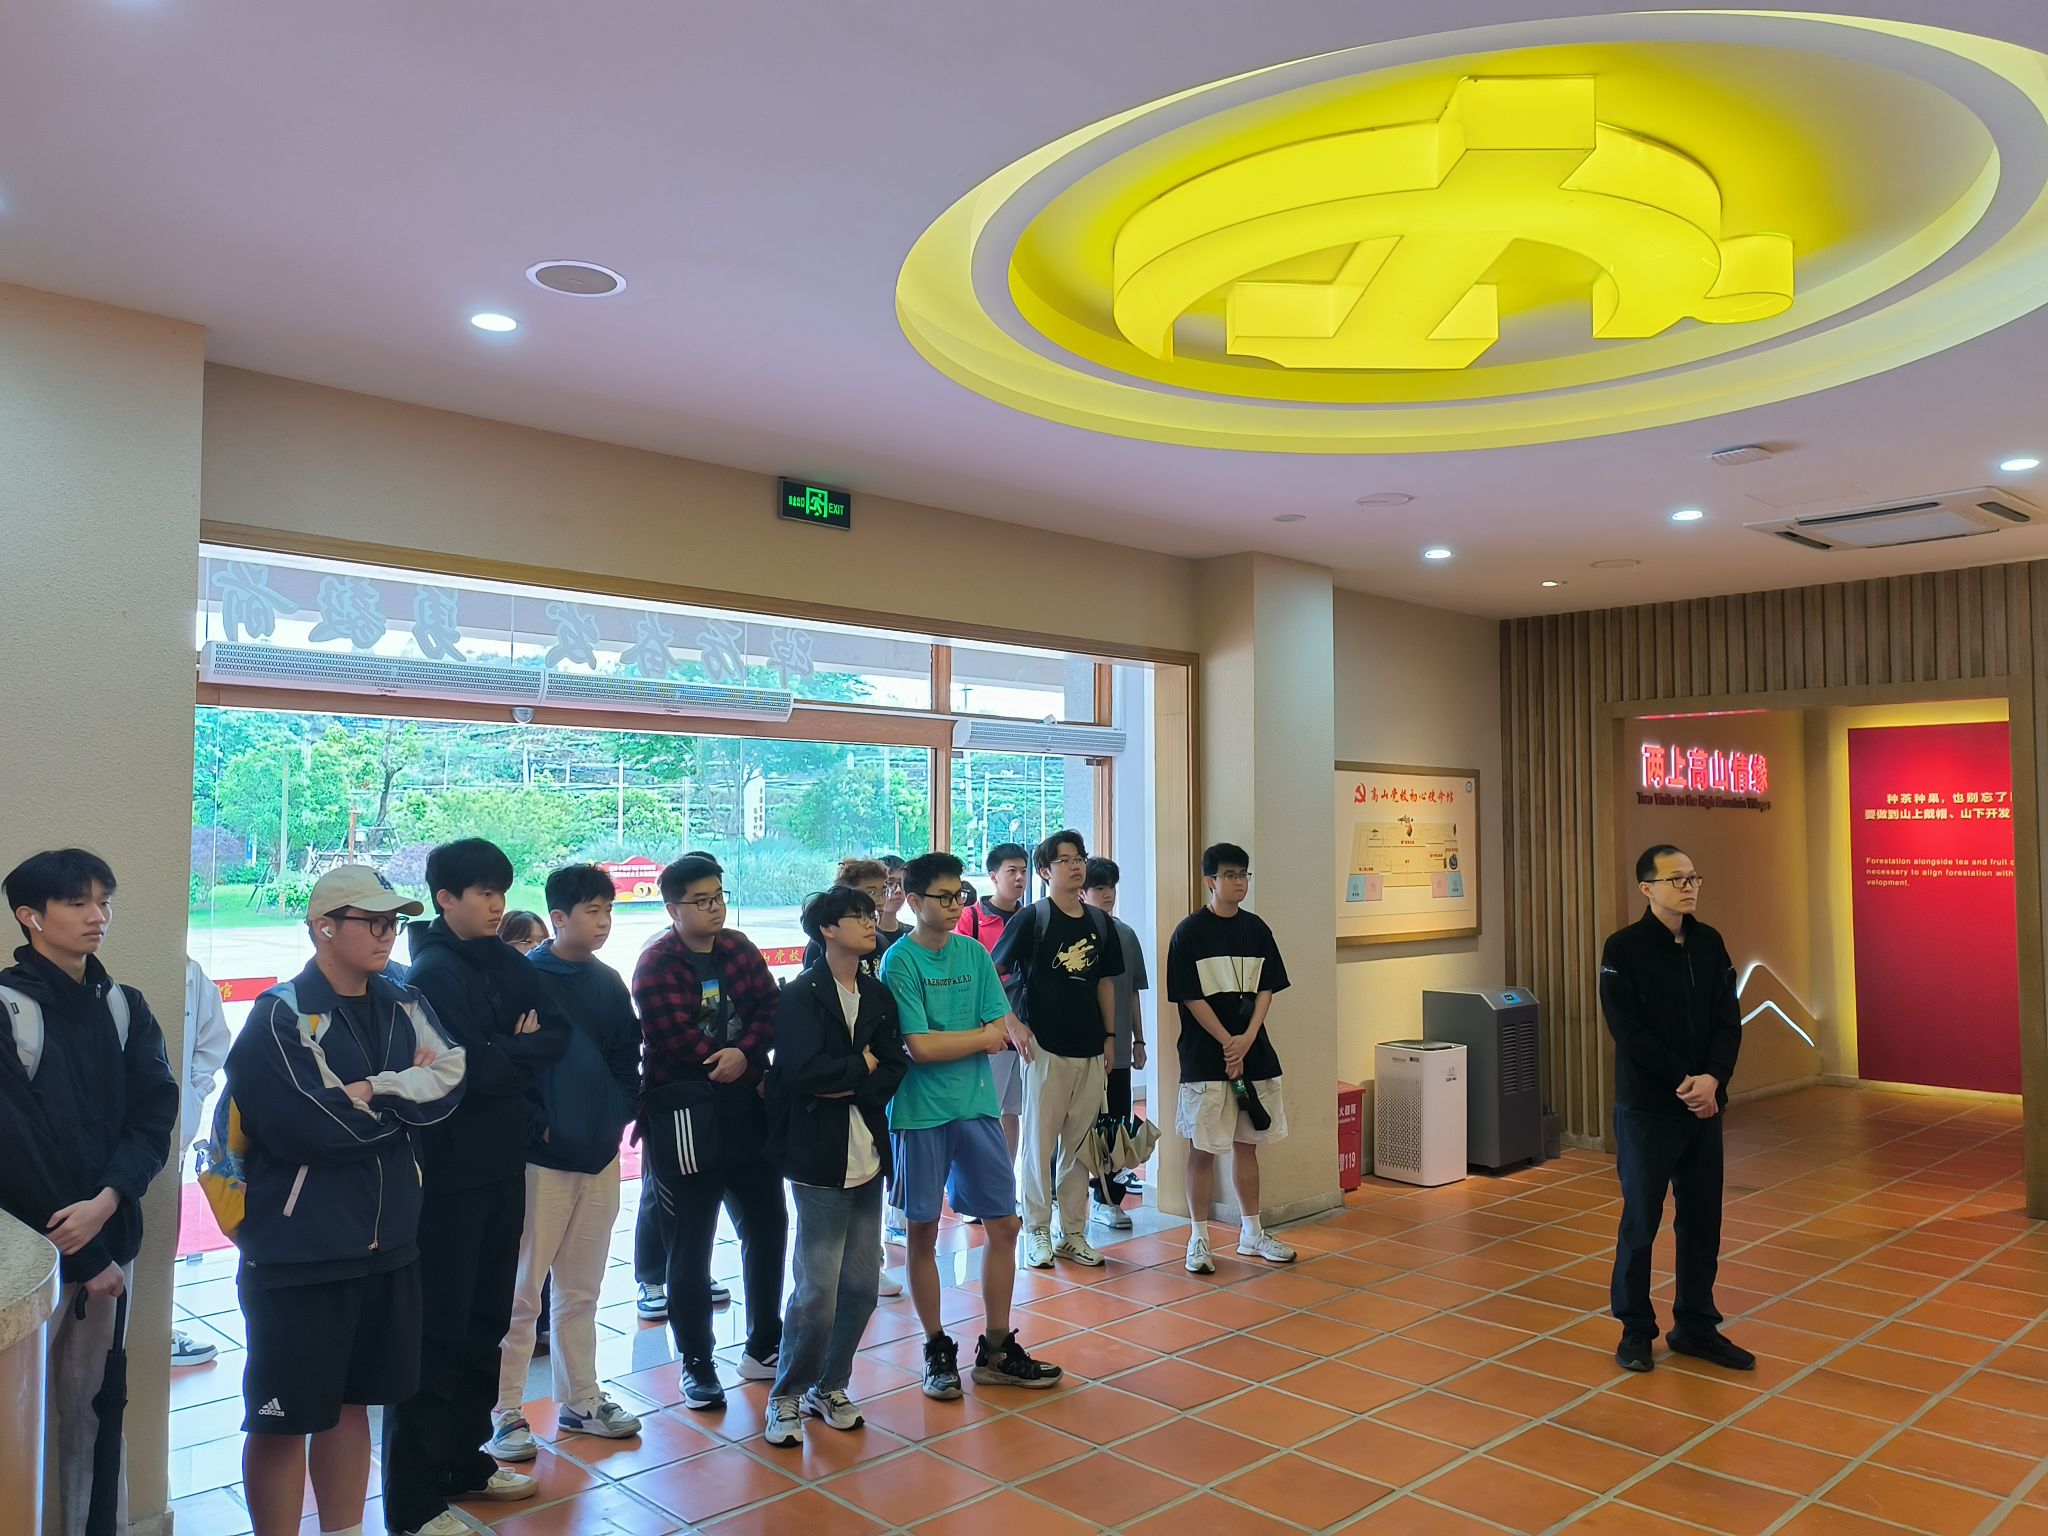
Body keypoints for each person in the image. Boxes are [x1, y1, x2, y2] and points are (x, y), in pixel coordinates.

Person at [228, 867, 466, 1536]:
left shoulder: (403, 1001)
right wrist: (403, 1094)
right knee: (283, 1420)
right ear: (323, 927)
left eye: (394, 921)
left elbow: (451, 1080)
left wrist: (370, 1090)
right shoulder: (282, 1013)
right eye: (372, 921)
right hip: (301, 1250)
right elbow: (313, 1126)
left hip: (389, 1244)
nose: (388, 934)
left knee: (354, 1404)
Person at [382, 839, 570, 1536]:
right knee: (437, 1330)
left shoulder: (505, 960)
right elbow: (466, 1071)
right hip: (449, 1174)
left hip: (502, 1163)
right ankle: (413, 1500)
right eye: (483, 893)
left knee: (488, 1320)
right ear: (445, 899)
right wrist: (510, 1050)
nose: (496, 905)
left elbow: (554, 1035)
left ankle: (464, 1461)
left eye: (501, 892)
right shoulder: (432, 970)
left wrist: (505, 1049)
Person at [0, 848, 177, 1536]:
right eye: (77, 902)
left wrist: (107, 1203)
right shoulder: (8, 1008)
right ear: (30, 916)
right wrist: (85, 1250)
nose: (97, 915)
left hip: (109, 1240)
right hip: (26, 1259)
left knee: (95, 1411)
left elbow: (154, 1115)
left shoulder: (124, 1005)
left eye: (104, 901)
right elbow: (15, 1144)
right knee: (13, 1418)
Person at [880, 852, 1061, 1399]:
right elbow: (920, 1047)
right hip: (920, 1113)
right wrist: (981, 1038)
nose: (955, 904)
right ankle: (936, 1348)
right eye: (942, 896)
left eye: (959, 894)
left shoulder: (974, 953)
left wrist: (981, 1037)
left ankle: (998, 1349)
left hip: (976, 1106)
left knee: (1004, 1226)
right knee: (922, 1232)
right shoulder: (899, 962)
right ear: (914, 902)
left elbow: (997, 1026)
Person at [488, 865, 644, 1463]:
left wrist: (618, 1113)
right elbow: (511, 1068)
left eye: (609, 911)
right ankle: (504, 1411)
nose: (603, 923)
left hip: (599, 1156)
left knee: (582, 1289)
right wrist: (543, 1127)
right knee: (522, 1293)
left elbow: (627, 1056)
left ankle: (581, 1399)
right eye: (592, 912)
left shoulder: (608, 982)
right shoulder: (522, 979)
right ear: (558, 918)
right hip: (542, 1162)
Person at [633, 853, 788, 1411]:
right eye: (701, 901)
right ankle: (696, 1361)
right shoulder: (656, 963)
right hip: (685, 1118)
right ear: (672, 909)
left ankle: (764, 1344)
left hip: (748, 1111)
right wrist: (734, 1059)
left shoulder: (739, 948)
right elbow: (674, 1038)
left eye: (718, 896)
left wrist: (744, 1053)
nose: (714, 908)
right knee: (690, 1245)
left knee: (768, 1228)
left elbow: (771, 1008)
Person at [760, 885, 909, 1447]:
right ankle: (786, 1395)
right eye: (856, 916)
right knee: (816, 1292)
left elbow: (892, 1065)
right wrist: (858, 1067)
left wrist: (851, 1079)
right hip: (817, 1155)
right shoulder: (803, 994)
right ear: (827, 929)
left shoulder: (876, 993)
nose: (870, 922)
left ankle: (831, 1384)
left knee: (862, 1288)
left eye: (871, 914)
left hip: (866, 1150)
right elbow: (801, 1073)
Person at [1599, 844, 1752, 1375]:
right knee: (1641, 1221)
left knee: (1703, 1219)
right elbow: (1628, 1030)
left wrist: (1714, 1079)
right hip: (1648, 1109)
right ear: (1647, 888)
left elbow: (1727, 1020)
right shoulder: (1623, 949)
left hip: (1704, 1107)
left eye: (1694, 878)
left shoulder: (1710, 943)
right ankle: (1635, 1329)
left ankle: (1696, 1326)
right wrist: (1683, 1079)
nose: (1689, 888)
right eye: (1677, 879)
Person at [993, 831, 1123, 1270]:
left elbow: (1105, 983)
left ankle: (1073, 1233)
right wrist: (1013, 1023)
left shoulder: (1100, 923)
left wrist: (1110, 1038)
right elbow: (992, 972)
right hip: (1043, 1048)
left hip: (1090, 1048)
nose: (1075, 865)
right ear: (1046, 871)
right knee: (1038, 1144)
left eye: (1079, 858)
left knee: (1079, 1146)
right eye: (1065, 860)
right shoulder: (1033, 918)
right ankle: (1036, 1230)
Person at [1167, 843, 1296, 1274]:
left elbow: (1267, 989)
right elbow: (1189, 997)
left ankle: (1252, 1233)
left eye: (1244, 874)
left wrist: (1248, 1038)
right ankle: (1199, 1238)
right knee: (1202, 1148)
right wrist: (1228, 1042)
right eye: (1230, 875)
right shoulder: (1189, 932)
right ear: (1210, 881)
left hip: (1253, 1052)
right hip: (1206, 1057)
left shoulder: (1257, 929)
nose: (1239, 882)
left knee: (1248, 1144)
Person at [1081, 857, 1149, 1231]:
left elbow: (1133, 992)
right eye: (1099, 888)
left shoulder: (1125, 934)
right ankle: (1064, 1200)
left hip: (1119, 1050)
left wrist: (1139, 1040)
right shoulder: (1075, 936)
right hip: (1081, 1049)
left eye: (1111, 888)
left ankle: (1108, 1199)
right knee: (1077, 1124)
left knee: (1115, 1124)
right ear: (1083, 892)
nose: (1107, 895)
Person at [174, 957, 233, 1367]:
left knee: (161, 1238)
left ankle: (160, 1330)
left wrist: (192, 1097)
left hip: (173, 1133)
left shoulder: (189, 972)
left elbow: (212, 1043)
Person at [955, 844, 1029, 1165]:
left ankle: (1005, 1178)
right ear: (993, 876)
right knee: (984, 1109)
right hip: (988, 1030)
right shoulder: (971, 919)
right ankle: (976, 1179)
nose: (1019, 878)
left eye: (1023, 871)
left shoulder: (1031, 917)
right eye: (1011, 871)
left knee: (1012, 1111)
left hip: (1024, 1030)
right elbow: (966, 974)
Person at [798, 859, 899, 976]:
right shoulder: (821, 945)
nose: (881, 901)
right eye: (871, 893)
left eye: (884, 892)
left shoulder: (880, 942)